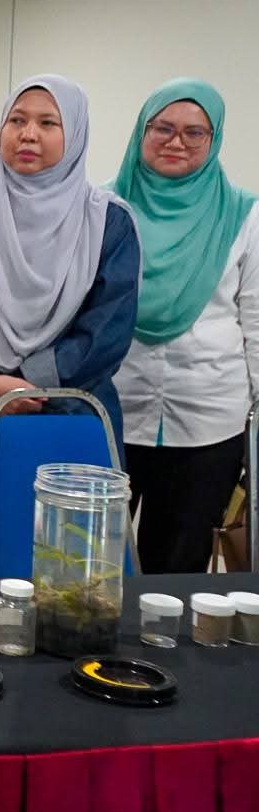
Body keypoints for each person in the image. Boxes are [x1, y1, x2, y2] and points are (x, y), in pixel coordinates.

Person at [0, 75, 140, 575]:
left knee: (64, 572)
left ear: (74, 134)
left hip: (65, 417)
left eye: (47, 123)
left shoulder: (109, 222)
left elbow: (105, 333)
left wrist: (16, 389)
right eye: (16, 120)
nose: (28, 134)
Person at [110, 79, 258, 573]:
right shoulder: (104, 207)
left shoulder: (246, 216)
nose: (177, 142)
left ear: (214, 140)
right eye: (163, 128)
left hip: (208, 420)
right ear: (142, 131)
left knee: (177, 570)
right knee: (91, 563)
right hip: (113, 410)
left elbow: (256, 323)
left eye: (195, 133)